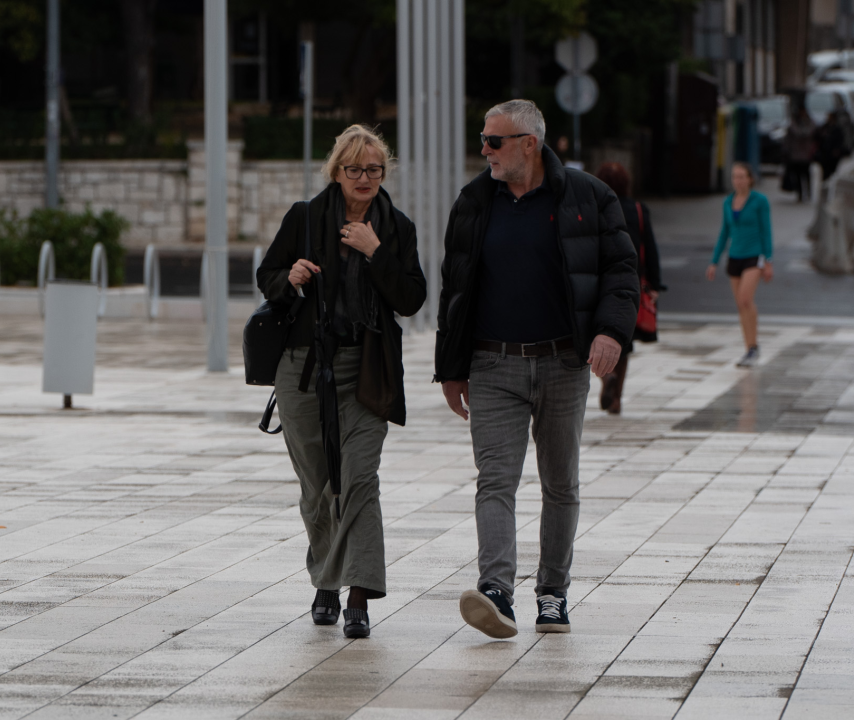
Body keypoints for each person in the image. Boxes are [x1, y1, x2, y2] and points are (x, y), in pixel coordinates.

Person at [435, 99, 639, 637]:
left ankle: (552, 592)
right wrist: (451, 368)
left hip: (562, 363)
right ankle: (496, 591)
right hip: (491, 362)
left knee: (560, 484)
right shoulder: (475, 201)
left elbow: (621, 271)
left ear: (529, 143)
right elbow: (454, 289)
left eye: (493, 141)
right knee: (495, 481)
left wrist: (611, 332)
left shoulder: (590, 197)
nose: (484, 151)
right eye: (483, 140)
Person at [256, 125, 427, 639]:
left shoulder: (395, 227)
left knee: (358, 479)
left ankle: (357, 595)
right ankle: (326, 582)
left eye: (374, 170)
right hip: (304, 367)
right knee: (317, 485)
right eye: (354, 169)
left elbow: (412, 299)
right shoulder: (305, 218)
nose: (364, 179)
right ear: (337, 171)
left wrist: (377, 253)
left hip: (367, 368)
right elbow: (267, 276)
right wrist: (291, 279)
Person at [594, 161, 664, 414]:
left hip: (598, 282)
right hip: (630, 283)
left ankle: (605, 378)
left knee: (595, 336)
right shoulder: (638, 208)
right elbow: (651, 248)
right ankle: (616, 400)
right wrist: (654, 284)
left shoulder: (594, 206)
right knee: (623, 340)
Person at [706, 162, 773, 367]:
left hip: (753, 257)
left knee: (746, 299)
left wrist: (767, 260)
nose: (738, 180)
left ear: (750, 179)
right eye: (735, 176)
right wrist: (714, 261)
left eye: (742, 176)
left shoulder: (760, 201)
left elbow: (766, 230)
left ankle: (753, 347)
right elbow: (724, 232)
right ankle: (749, 348)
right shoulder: (727, 202)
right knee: (739, 305)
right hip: (734, 257)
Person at [784, 108, 816, 202]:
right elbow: (788, 139)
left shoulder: (809, 123)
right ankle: (800, 193)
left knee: (806, 175)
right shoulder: (794, 124)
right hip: (796, 155)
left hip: (806, 155)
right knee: (797, 176)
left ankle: (808, 192)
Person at [814, 112, 846, 182]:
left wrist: (837, 150)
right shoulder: (825, 128)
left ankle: (829, 182)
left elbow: (840, 140)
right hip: (825, 154)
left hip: (832, 155)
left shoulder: (837, 129)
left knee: (831, 170)